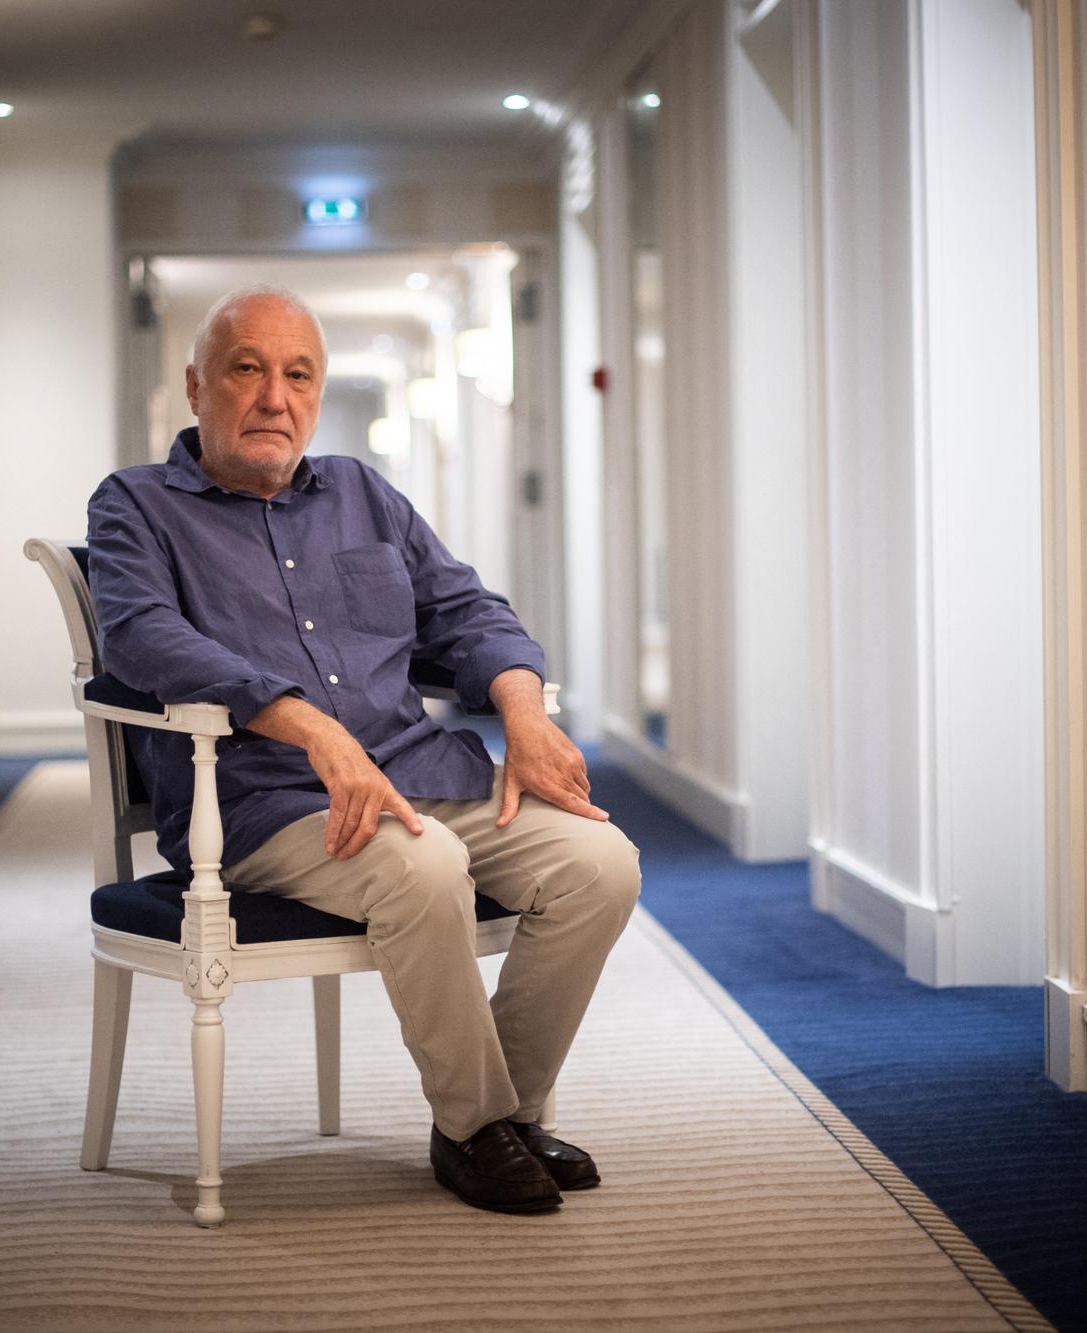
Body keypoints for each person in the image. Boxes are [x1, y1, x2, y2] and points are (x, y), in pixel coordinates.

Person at [86, 284, 641, 1215]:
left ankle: (498, 1112)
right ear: (195, 387)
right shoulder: (136, 506)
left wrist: (524, 711)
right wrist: (309, 724)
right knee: (426, 867)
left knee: (600, 863)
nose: (275, 397)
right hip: (261, 802)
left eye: (298, 374)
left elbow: (466, 610)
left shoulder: (362, 493)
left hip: (418, 773)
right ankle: (478, 1130)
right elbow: (143, 638)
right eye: (247, 370)